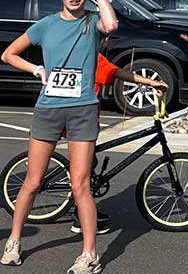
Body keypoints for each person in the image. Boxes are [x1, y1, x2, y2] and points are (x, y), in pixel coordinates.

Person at [0, 0, 118, 274]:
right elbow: (8, 54)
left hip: (82, 108)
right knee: (33, 181)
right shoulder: (46, 25)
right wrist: (36, 70)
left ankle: (89, 254)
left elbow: (113, 24)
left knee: (80, 185)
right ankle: (13, 241)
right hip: (49, 108)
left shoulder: (92, 22)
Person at [65, 49, 169, 235]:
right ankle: (81, 217)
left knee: (88, 165)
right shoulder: (93, 57)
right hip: (83, 120)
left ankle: (82, 211)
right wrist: (150, 82)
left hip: (74, 118)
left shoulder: (75, 52)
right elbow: (119, 73)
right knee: (84, 170)